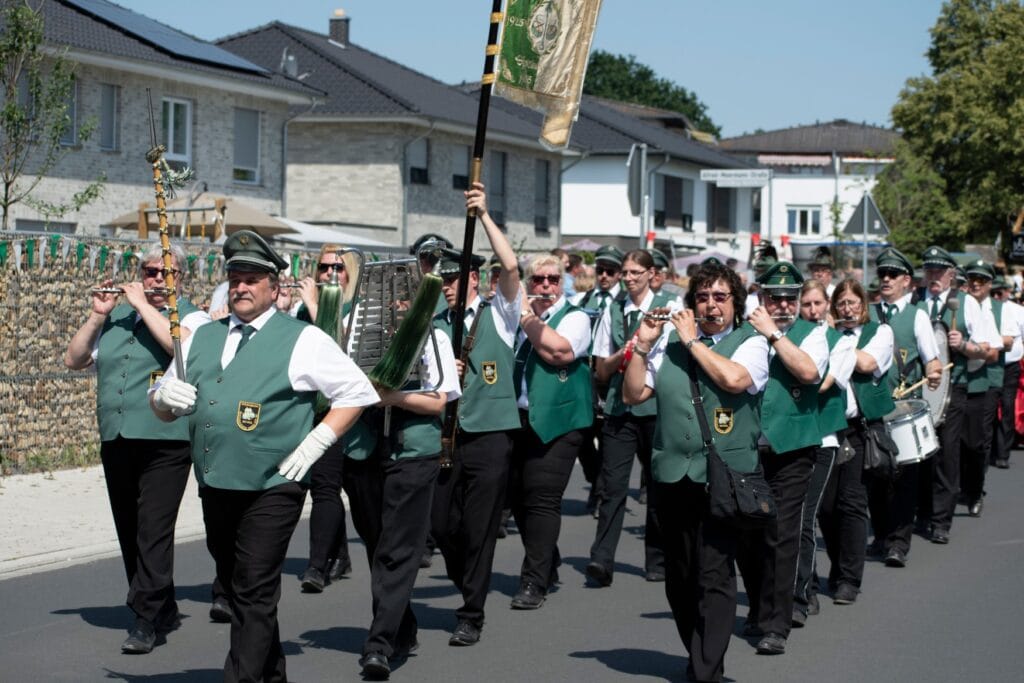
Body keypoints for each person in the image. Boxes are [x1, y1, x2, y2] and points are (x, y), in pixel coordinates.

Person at [149, 230, 379, 681]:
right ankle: (271, 673)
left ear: (275, 288)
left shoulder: (302, 338)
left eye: (253, 278)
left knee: (255, 588)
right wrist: (161, 397)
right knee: (238, 587)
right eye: (235, 277)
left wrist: (316, 442)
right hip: (216, 482)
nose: (241, 286)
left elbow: (357, 391)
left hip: (274, 484)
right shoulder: (201, 336)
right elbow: (162, 404)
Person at [622, 261, 768, 683]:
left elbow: (735, 380)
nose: (710, 305)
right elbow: (633, 395)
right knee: (680, 576)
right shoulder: (669, 342)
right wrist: (644, 345)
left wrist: (692, 341)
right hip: (671, 473)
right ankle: (700, 654)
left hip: (723, 477)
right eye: (702, 297)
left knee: (715, 573)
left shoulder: (750, 342)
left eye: (720, 297)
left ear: (735, 303)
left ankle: (707, 669)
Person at [64, 244, 210, 654]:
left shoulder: (192, 316)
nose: (156, 280)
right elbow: (74, 359)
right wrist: (98, 313)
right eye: (149, 273)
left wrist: (144, 306)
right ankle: (160, 605)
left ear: (180, 277)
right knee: (129, 528)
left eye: (166, 273)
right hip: (118, 435)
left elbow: (176, 349)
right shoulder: (117, 318)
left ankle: (145, 617)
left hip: (167, 440)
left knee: (153, 529)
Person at [430, 182, 522, 647]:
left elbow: (510, 265)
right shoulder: (436, 325)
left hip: (490, 434)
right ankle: (467, 577)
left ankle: (471, 611)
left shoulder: (500, 312)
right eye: (440, 280)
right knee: (443, 523)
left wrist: (484, 215)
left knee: (481, 526)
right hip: (447, 435)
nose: (444, 287)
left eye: (451, 280)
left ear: (471, 279)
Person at [357, 319, 461, 680]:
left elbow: (439, 400)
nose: (396, 304)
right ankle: (403, 625)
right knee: (375, 542)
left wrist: (394, 398)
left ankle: (379, 644)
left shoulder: (435, 336)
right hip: (363, 450)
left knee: (398, 549)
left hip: (413, 453)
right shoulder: (360, 330)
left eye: (405, 296)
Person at [738, 261, 829, 656]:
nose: (783, 305)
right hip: (746, 447)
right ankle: (760, 605)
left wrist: (773, 333)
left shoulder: (815, 335)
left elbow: (808, 372)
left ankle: (778, 622)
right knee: (747, 535)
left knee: (782, 533)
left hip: (793, 449)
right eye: (774, 298)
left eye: (790, 298)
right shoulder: (745, 333)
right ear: (761, 298)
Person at [587, 249, 680, 587]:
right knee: (612, 487)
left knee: (658, 487)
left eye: (635, 272)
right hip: (618, 408)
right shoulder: (613, 310)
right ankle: (601, 559)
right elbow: (601, 369)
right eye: (625, 272)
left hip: (655, 406)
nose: (628, 278)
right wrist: (625, 351)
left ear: (651, 274)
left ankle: (657, 559)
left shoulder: (670, 306)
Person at [507, 254, 593, 609]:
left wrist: (526, 315)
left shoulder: (576, 317)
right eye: (538, 279)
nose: (546, 285)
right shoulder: (514, 317)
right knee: (517, 497)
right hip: (518, 417)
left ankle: (534, 581)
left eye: (553, 279)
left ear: (562, 283)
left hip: (560, 422)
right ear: (528, 283)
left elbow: (558, 351)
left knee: (542, 498)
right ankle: (548, 559)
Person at [863, 247, 942, 565]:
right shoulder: (867, 313)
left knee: (904, 479)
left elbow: (933, 360)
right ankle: (881, 536)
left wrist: (934, 373)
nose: (885, 279)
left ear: (907, 281)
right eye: (882, 274)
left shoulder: (918, 315)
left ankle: (899, 543)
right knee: (875, 476)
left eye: (892, 275)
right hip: (872, 408)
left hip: (904, 408)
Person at [912, 248, 997, 543]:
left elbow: (987, 350)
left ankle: (940, 521)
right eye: (928, 270)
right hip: (917, 389)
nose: (933, 276)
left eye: (939, 271)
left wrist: (965, 345)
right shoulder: (915, 300)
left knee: (947, 455)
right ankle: (921, 514)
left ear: (951, 274)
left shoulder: (967, 304)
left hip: (953, 388)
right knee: (919, 455)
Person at [818, 279, 893, 604]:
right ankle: (837, 568)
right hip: (826, 427)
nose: (847, 309)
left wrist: (835, 337)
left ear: (864, 305)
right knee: (826, 506)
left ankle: (850, 578)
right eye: (841, 304)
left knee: (851, 503)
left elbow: (866, 363)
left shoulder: (880, 332)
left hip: (859, 429)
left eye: (853, 303)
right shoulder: (828, 334)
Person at [296, 244, 360, 593]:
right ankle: (339, 554)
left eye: (338, 268)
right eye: (323, 268)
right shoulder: (302, 310)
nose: (329, 275)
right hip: (304, 410)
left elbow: (335, 349)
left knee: (325, 486)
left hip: (337, 411)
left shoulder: (357, 309)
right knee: (316, 487)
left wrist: (313, 306)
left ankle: (317, 566)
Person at [791, 278, 854, 626]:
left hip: (823, 440)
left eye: (817, 304)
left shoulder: (841, 341)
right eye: (806, 305)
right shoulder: (790, 337)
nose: (812, 311)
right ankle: (794, 584)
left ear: (827, 306)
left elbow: (822, 381)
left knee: (804, 516)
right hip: (790, 439)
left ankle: (807, 589)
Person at [570, 244, 625, 512]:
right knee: (582, 437)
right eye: (601, 270)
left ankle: (603, 492)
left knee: (608, 438)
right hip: (585, 376)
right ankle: (596, 482)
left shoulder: (625, 302)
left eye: (610, 271)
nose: (604, 276)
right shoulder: (582, 300)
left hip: (613, 376)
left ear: (619, 274)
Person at [958, 260, 1005, 517]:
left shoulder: (990, 310)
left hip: (979, 382)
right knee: (950, 444)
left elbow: (995, 352)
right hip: (952, 382)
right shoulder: (958, 303)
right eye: (971, 278)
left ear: (989, 284)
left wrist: (971, 349)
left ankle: (975, 490)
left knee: (975, 443)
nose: (975, 283)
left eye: (981, 280)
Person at [990, 276, 1023, 468]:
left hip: (1010, 366)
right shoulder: (985, 309)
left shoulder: (1018, 311)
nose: (996, 296)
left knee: (1008, 406)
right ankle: (991, 449)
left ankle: (1003, 452)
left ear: (1007, 293)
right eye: (993, 292)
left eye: (999, 292)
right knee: (989, 408)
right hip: (991, 364)